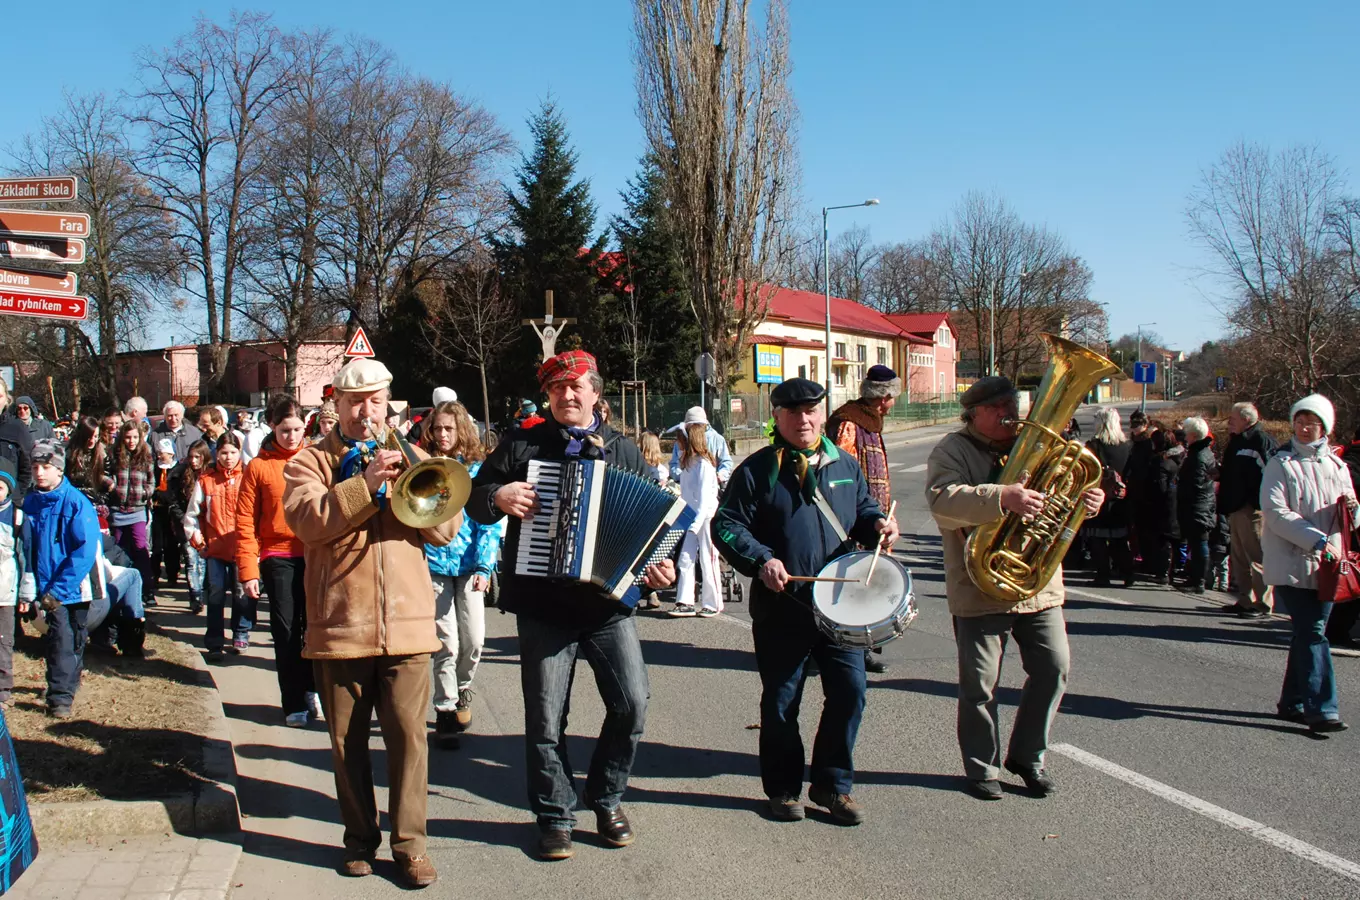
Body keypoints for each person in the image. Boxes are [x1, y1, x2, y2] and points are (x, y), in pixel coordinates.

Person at [466, 349, 675, 861]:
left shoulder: (624, 452)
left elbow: (658, 523)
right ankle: (555, 816)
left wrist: (657, 570)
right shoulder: (522, 444)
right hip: (544, 603)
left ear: (596, 393)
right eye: (557, 388)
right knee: (544, 719)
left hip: (606, 607)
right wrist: (498, 498)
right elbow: (475, 496)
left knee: (632, 704)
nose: (566, 395)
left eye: (575, 386)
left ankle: (605, 796)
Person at [282, 358, 461, 888]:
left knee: (410, 740)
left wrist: (413, 475)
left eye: (376, 400)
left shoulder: (414, 454)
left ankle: (410, 847)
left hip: (407, 626)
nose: (367, 411)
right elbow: (308, 523)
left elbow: (446, 531)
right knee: (347, 743)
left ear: (390, 404)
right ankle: (360, 839)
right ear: (335, 404)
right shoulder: (310, 462)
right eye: (356, 401)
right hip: (341, 625)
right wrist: (362, 486)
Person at [712, 377, 896, 824]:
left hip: (842, 605)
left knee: (851, 692)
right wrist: (761, 560)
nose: (804, 419)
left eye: (812, 410)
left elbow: (866, 511)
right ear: (777, 417)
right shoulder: (757, 471)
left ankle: (833, 785)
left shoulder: (845, 465)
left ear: (821, 413)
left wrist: (879, 528)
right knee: (781, 701)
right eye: (793, 412)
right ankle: (783, 789)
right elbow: (727, 526)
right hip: (783, 606)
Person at [924, 376, 1103, 801]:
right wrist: (1000, 496)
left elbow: (1075, 484)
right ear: (975, 413)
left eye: (1014, 403)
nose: (1013, 413)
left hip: (1037, 585)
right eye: (1001, 406)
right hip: (980, 584)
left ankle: (1028, 757)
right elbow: (942, 502)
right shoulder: (951, 450)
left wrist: (1087, 500)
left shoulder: (1040, 441)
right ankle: (982, 766)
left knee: (1054, 669)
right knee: (980, 684)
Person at [1261, 394, 1355, 733]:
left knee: (1306, 634)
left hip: (1330, 565)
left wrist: (1354, 512)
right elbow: (1275, 512)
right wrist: (1315, 538)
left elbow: (1347, 509)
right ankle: (1322, 709)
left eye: (1311, 423)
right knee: (1314, 633)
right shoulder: (1281, 463)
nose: (1303, 428)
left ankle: (1292, 703)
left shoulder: (1337, 465)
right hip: (1293, 560)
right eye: (1299, 421)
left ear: (1324, 427)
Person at [419, 400, 505, 748]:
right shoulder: (424, 466)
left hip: (471, 566)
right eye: (437, 428)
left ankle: (462, 688)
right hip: (434, 564)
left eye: (448, 429)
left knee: (474, 640)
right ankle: (446, 709)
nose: (442, 434)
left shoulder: (477, 471)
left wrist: (486, 565)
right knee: (446, 643)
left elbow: (489, 523)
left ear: (461, 431)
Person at [237, 396, 321, 728]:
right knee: (286, 630)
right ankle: (292, 701)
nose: (292, 436)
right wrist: (248, 569)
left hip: (315, 554)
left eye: (298, 429)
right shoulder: (258, 467)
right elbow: (244, 520)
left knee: (314, 629)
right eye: (285, 430)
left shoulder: (315, 459)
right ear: (273, 427)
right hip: (277, 556)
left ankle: (313, 688)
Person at [827, 364, 901, 674]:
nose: (893, 402)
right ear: (882, 397)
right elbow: (844, 475)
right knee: (856, 587)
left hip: (875, 520)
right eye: (892, 396)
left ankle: (862, 646)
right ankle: (854, 650)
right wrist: (861, 517)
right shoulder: (850, 422)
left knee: (870, 586)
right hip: (857, 522)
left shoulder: (871, 421)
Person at [20, 440, 101, 718]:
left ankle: (66, 688)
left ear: (59, 469)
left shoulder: (76, 503)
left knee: (74, 639)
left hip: (71, 588)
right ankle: (59, 697)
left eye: (45, 467)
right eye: (35, 467)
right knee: (59, 641)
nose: (39, 472)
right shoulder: (31, 503)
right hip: (43, 587)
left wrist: (59, 589)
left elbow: (85, 550)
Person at [185, 433, 251, 661]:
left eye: (233, 452)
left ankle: (241, 632)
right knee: (215, 594)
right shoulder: (206, 480)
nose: (229, 457)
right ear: (217, 454)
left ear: (240, 452)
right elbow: (192, 516)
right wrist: (199, 542)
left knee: (242, 594)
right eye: (224, 453)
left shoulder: (248, 477)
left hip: (243, 548)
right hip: (215, 549)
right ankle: (214, 641)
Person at [1217, 402, 1279, 618]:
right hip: (1235, 507)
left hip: (1252, 509)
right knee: (1240, 557)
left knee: (1256, 557)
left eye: (1233, 418)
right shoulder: (1236, 441)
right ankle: (1245, 599)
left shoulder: (1261, 441)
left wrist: (1256, 503)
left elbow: (1271, 475)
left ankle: (1262, 603)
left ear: (1246, 419)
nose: (1229, 422)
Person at [670, 421, 723, 618]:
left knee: (708, 559)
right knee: (685, 559)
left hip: (706, 518)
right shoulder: (687, 464)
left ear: (689, 440)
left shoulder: (704, 466)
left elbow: (703, 500)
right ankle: (685, 601)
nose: (677, 443)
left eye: (680, 439)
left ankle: (712, 603)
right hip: (691, 519)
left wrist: (695, 524)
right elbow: (685, 496)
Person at [105, 422, 156, 610]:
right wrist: (112, 485)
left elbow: (152, 480)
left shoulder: (146, 454)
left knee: (140, 547)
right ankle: (119, 588)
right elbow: (103, 473)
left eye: (135, 437)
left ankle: (147, 589)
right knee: (119, 549)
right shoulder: (114, 453)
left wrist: (144, 493)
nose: (131, 441)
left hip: (137, 510)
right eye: (128, 437)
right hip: (118, 509)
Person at [1083, 407, 1135, 588]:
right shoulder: (1127, 446)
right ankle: (1128, 573)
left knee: (1097, 539)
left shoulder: (1094, 445)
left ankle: (1103, 575)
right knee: (1119, 539)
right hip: (1120, 498)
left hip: (1100, 497)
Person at [1177, 417, 1217, 595]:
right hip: (1202, 504)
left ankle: (1199, 580)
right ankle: (1195, 577)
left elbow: (1194, 484)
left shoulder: (1198, 456)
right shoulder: (1203, 451)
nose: (1185, 436)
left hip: (1197, 505)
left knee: (1199, 543)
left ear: (1193, 435)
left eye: (1187, 433)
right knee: (1197, 543)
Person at [1136, 429, 1183, 585]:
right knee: (1171, 540)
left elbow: (1159, 487)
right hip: (1176, 503)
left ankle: (1162, 572)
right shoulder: (1179, 457)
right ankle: (1169, 570)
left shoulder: (1161, 462)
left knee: (1163, 540)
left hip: (1163, 505)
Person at [177, 441, 211, 615]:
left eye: (197, 457)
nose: (193, 461)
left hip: (205, 524)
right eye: (191, 457)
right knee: (191, 561)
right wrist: (180, 516)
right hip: (187, 523)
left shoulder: (210, 474)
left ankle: (201, 595)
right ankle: (195, 596)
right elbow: (172, 497)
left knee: (202, 562)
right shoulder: (182, 473)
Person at [0, 461, 23, 709]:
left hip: (6, 589)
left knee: (4, 640)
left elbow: (23, 555)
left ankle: (3, 688)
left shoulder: (16, 516)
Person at [667, 406, 734, 485]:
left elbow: (726, 462)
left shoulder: (717, 439)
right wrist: (682, 476)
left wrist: (721, 475)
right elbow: (674, 465)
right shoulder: (681, 440)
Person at [150, 438, 182, 598]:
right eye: (159, 453)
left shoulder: (176, 469)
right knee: (157, 544)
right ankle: (154, 574)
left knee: (171, 545)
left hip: (170, 511)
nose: (161, 456)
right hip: (156, 509)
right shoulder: (155, 468)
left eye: (164, 453)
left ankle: (172, 574)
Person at [0, 382, 34, 501]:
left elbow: (27, 468)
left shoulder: (18, 429)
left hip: (8, 503)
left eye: (0, 396)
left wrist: (16, 496)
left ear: (6, 400)